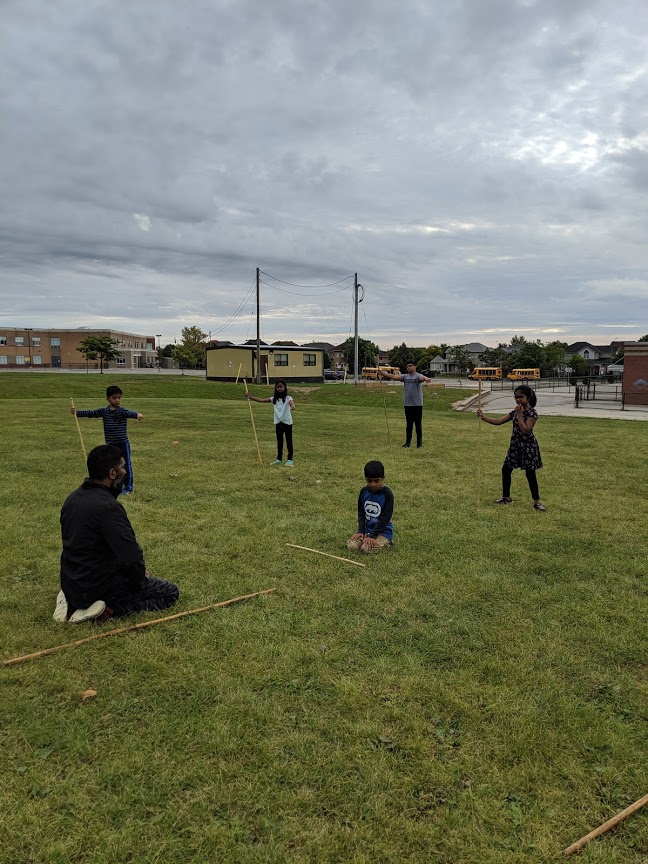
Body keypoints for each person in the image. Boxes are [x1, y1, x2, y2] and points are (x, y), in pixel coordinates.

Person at [53, 444, 179, 623]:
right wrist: (140, 582)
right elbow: (131, 556)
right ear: (112, 474)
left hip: (72, 580)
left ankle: (72, 600)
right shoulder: (109, 508)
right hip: (97, 586)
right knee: (170, 593)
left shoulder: (72, 498)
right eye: (122, 467)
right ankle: (104, 611)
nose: (125, 472)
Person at [477, 384, 546, 511]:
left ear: (528, 397)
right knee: (506, 469)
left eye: (521, 397)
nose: (518, 399)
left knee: (530, 474)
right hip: (515, 446)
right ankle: (506, 497)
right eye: (516, 397)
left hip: (528, 447)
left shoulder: (532, 413)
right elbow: (499, 422)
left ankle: (537, 502)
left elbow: (526, 429)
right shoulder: (515, 411)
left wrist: (519, 414)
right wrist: (483, 417)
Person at [71, 385, 142, 494]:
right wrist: (77, 413)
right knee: (112, 465)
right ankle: (114, 484)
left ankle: (128, 487)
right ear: (108, 399)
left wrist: (137, 414)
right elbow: (92, 413)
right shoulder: (104, 411)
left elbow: (130, 413)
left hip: (122, 443)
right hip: (110, 443)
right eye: (114, 398)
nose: (117, 400)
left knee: (126, 464)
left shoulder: (121, 411)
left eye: (119, 397)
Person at [378, 362, 432, 448]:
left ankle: (419, 444)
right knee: (409, 425)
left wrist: (426, 379)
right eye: (407, 366)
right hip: (407, 404)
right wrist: (384, 373)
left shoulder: (418, 376)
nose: (409, 367)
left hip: (417, 404)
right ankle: (408, 443)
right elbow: (394, 377)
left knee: (418, 425)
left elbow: (422, 378)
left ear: (415, 367)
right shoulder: (405, 377)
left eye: (410, 366)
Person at [347, 460, 394, 554]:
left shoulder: (387, 494)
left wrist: (373, 536)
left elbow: (385, 518)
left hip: (383, 532)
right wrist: (361, 531)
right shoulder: (364, 491)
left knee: (366, 549)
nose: (373, 484)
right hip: (367, 532)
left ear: (383, 478)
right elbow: (361, 513)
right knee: (352, 546)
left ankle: (388, 542)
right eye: (369, 481)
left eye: (377, 481)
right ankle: (367, 539)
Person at [246, 380, 296, 466]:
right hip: (278, 423)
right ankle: (279, 458)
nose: (279, 388)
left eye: (281, 386)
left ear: (285, 387)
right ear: (276, 388)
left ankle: (290, 459)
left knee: (289, 441)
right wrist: (251, 397)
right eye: (278, 387)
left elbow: (292, 404)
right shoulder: (274, 399)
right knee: (279, 442)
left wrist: (292, 407)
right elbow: (261, 400)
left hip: (287, 423)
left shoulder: (288, 398)